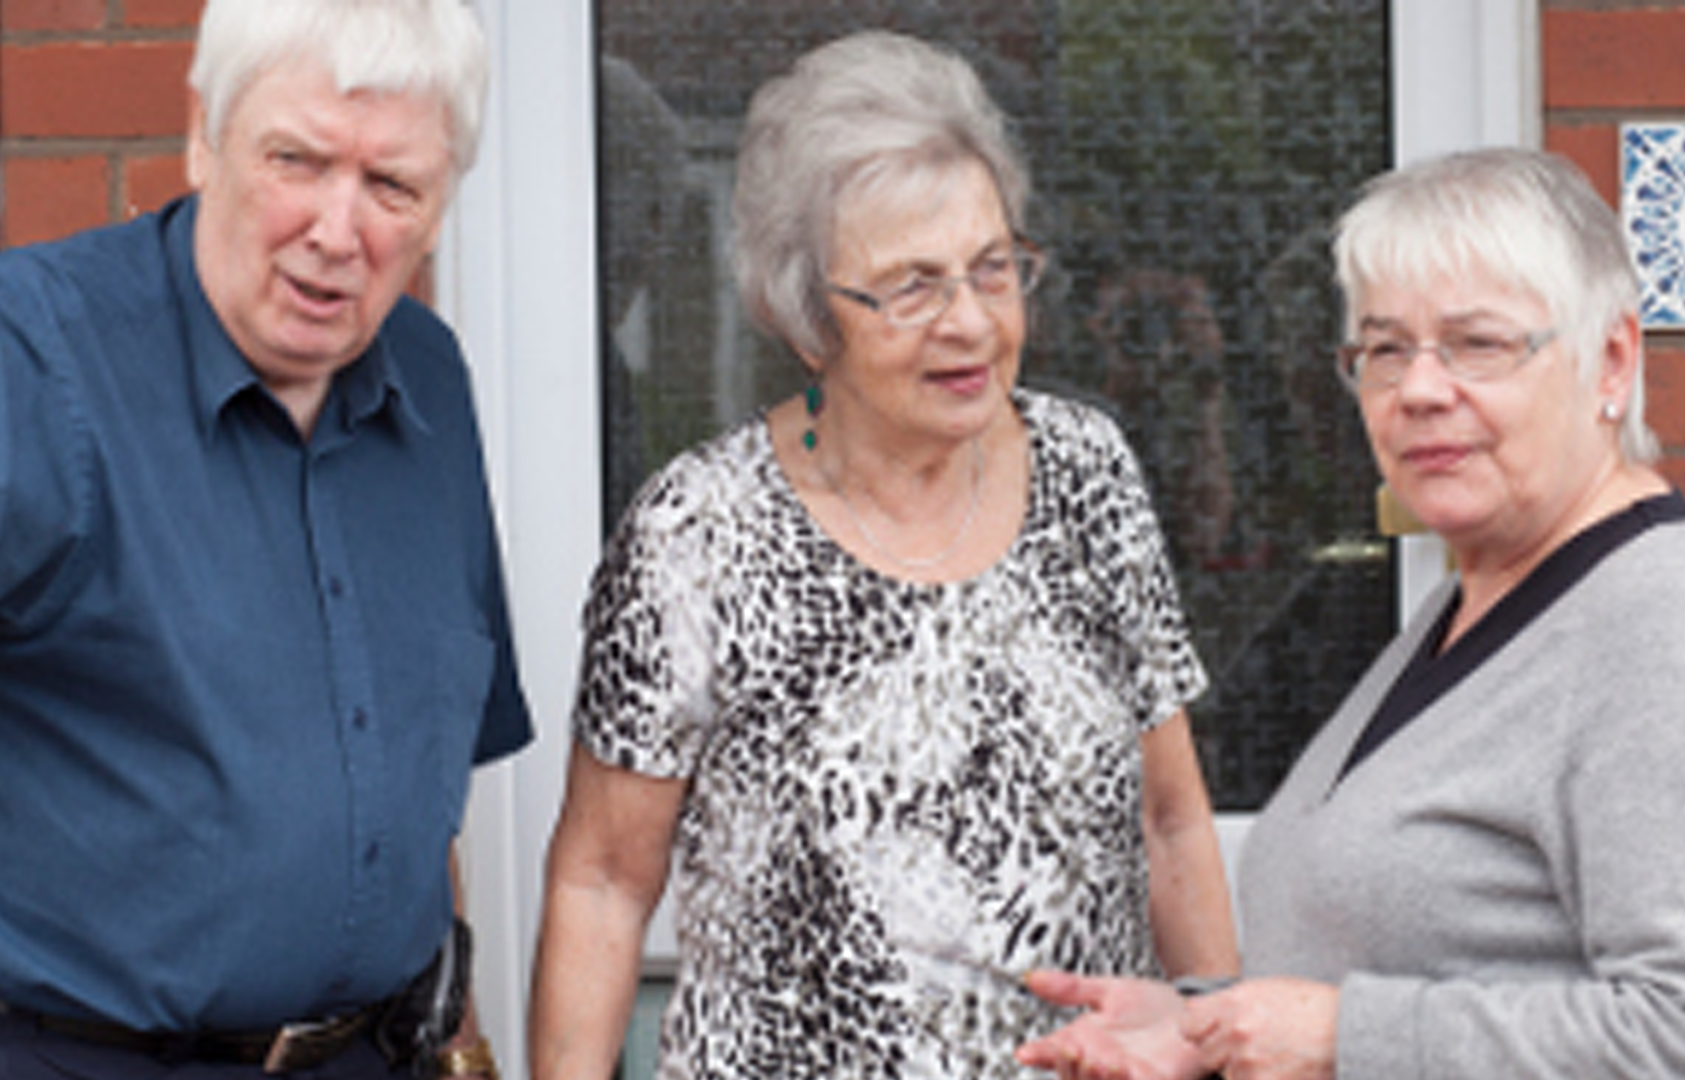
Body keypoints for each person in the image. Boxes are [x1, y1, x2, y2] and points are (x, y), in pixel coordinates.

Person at [0, 1, 531, 1077]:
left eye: (391, 186)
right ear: (201, 137)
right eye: (296, 160)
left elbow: (417, 766)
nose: (336, 228)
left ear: (441, 204)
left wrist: (462, 1037)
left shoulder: (431, 378)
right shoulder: (18, 346)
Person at [528, 30, 1237, 1080]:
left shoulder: (1089, 471)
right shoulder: (699, 532)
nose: (971, 323)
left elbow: (1170, 822)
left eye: (993, 270)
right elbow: (601, 883)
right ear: (811, 316)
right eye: (911, 286)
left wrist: (1216, 1040)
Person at [1015, 146, 1685, 1080]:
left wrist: (1343, 1038)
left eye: (1478, 344)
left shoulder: (1656, 623)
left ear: (1610, 360)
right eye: (1383, 349)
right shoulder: (1477, 602)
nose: (1417, 390)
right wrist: (1206, 1022)